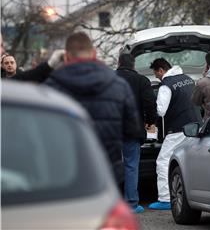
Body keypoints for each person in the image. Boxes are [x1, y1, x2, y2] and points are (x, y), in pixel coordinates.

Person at [44, 32, 143, 209]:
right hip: (106, 177)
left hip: (64, 179)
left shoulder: (50, 87)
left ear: (66, 56)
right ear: (94, 53)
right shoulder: (118, 86)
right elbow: (132, 131)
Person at [148, 58, 200, 210]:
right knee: (188, 162)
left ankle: (164, 199)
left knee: (163, 161)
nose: (157, 77)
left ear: (161, 70)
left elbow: (160, 110)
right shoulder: (189, 79)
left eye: (156, 74)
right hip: (195, 127)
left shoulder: (166, 85)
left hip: (177, 129)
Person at [116, 53, 157, 213]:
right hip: (133, 130)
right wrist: (150, 121)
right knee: (131, 166)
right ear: (133, 65)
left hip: (112, 129)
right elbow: (150, 103)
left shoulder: (109, 79)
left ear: (119, 63)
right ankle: (131, 204)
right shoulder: (141, 80)